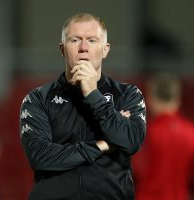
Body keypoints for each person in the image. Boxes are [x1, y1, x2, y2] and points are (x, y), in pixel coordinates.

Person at [19, 13, 146, 200]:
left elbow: (131, 140)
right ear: (62, 49)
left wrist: (93, 95)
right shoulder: (37, 99)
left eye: (92, 40)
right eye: (75, 40)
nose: (83, 48)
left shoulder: (127, 94)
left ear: (105, 49)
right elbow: (41, 156)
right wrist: (101, 145)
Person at [132, 73, 194, 200]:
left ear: (150, 98)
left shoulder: (144, 132)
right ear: (178, 98)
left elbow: (134, 171)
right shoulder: (193, 132)